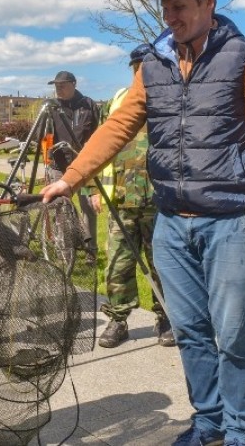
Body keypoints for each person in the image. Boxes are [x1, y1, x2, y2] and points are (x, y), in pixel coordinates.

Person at [41, 0, 245, 446]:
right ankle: (208, 422)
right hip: (171, 225)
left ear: (209, 0)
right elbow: (119, 126)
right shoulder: (153, 63)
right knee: (191, 332)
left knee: (234, 335)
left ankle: (242, 431)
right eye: (164, 6)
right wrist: (73, 178)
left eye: (179, 5)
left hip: (229, 223)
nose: (170, 15)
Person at [90, 44, 174, 349]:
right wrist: (92, 188)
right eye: (137, 66)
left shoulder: (169, 98)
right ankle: (118, 319)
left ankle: (166, 318)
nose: (142, 71)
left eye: (147, 65)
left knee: (162, 263)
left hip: (159, 201)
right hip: (121, 200)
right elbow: (101, 144)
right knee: (118, 265)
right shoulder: (118, 101)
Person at [46, 70, 101, 265]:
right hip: (58, 168)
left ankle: (90, 252)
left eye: (62, 85)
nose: (58, 89)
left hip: (83, 167)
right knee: (61, 210)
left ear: (74, 84)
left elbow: (98, 134)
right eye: (56, 86)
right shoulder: (52, 108)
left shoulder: (89, 105)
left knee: (88, 208)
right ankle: (65, 252)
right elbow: (42, 138)